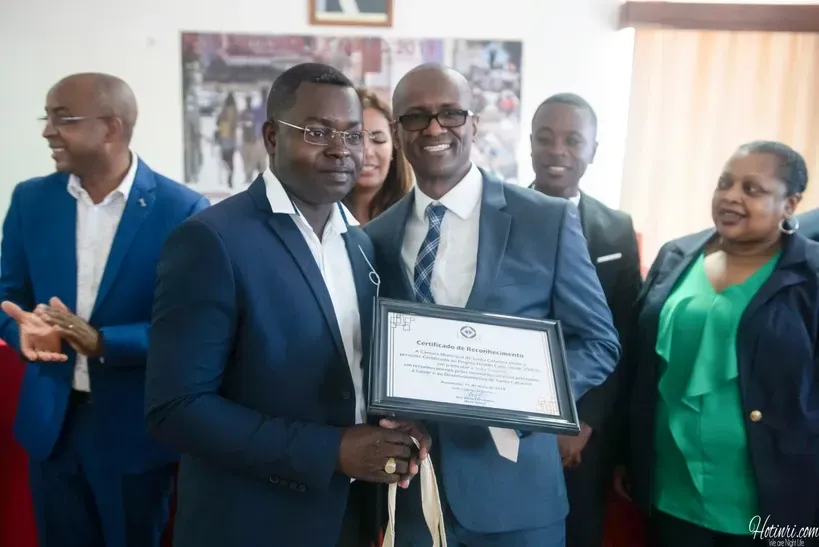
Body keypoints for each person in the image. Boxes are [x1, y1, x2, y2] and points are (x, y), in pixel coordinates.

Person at [144, 63, 427, 547]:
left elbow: (354, 375)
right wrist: (331, 450)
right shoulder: (211, 240)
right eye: (317, 132)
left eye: (353, 135)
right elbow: (176, 409)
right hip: (251, 522)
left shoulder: (360, 244)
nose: (340, 149)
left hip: (350, 514)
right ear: (272, 137)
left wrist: (403, 427)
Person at [364, 63, 620, 546]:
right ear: (397, 132)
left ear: (475, 124)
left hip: (516, 496)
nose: (434, 129)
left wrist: (523, 402)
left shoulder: (546, 220)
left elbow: (599, 342)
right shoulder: (375, 237)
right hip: (415, 496)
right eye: (415, 117)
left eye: (450, 113)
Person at [0, 72, 209, 547]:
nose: (47, 131)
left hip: (135, 434)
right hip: (51, 428)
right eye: (46, 118)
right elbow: (8, 294)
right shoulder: (31, 199)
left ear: (111, 128)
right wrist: (21, 332)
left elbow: (188, 329)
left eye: (62, 118)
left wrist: (103, 342)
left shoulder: (182, 210)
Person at [620, 141, 819, 546]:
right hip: (671, 488)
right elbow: (636, 366)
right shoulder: (676, 256)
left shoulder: (811, 274)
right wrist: (624, 453)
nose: (731, 196)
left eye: (752, 189)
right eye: (725, 183)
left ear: (789, 204)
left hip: (777, 496)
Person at [529, 92, 642, 547]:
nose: (557, 150)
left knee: (580, 533)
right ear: (530, 144)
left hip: (587, 426)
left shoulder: (616, 228)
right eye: (545, 138)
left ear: (593, 150)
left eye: (573, 140)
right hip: (512, 413)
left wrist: (584, 419)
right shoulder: (497, 215)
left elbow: (625, 331)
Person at [343, 88, 412, 224]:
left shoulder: (415, 217)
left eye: (378, 139)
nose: (367, 152)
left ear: (394, 147)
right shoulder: (315, 216)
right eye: (354, 138)